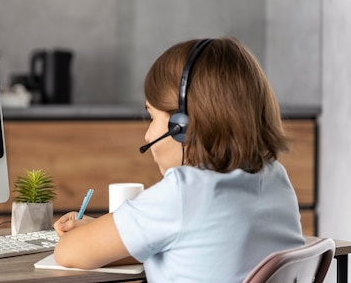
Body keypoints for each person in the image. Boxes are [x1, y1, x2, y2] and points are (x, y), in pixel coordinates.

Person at [52, 37, 305, 282]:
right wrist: (106, 233)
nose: (148, 133)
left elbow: (68, 252)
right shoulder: (276, 178)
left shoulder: (184, 192)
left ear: (181, 125)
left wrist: (86, 235)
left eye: (152, 117)